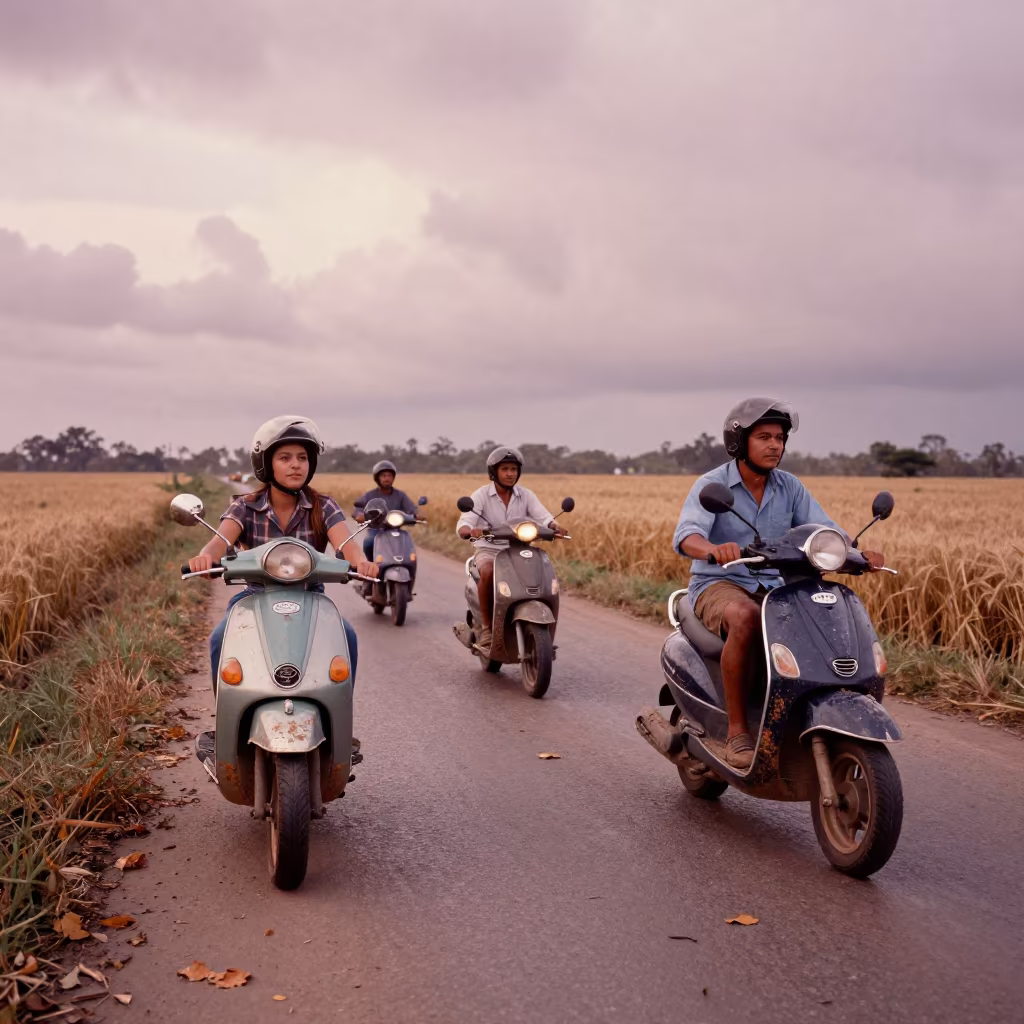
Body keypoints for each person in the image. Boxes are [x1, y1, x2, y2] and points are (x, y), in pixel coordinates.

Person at [673, 398, 885, 770]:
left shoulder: (790, 487)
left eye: (780, 438)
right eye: (765, 437)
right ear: (740, 443)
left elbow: (824, 529)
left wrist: (856, 553)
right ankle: (738, 729)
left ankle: (792, 712)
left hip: (777, 584)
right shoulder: (712, 485)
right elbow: (687, 535)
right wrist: (711, 549)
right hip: (719, 583)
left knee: (820, 622)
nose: (775, 445)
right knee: (745, 616)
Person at [188, 416, 379, 757]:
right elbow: (218, 544)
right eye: (285, 457)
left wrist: (360, 561)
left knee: (347, 637)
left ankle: (339, 724)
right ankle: (226, 725)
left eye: (302, 458)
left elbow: (347, 547)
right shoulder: (244, 506)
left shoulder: (323, 506)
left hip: (311, 598)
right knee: (220, 639)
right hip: (255, 597)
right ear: (266, 464)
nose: (295, 465)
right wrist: (204, 558)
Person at [455, 446, 565, 652]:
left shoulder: (525, 495)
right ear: (494, 472)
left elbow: (543, 515)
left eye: (513, 469)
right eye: (505, 469)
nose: (510, 473)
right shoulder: (480, 496)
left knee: (542, 569)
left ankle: (543, 631)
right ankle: (487, 628)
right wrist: (468, 530)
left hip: (519, 548)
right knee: (487, 570)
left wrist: (554, 526)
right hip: (489, 549)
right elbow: (465, 521)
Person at [352, 460, 420, 561]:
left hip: (396, 529)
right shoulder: (370, 495)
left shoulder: (400, 495)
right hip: (376, 530)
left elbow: (412, 509)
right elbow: (358, 510)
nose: (387, 478)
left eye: (389, 476)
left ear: (393, 478)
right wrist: (360, 515)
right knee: (369, 542)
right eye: (383, 476)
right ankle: (372, 566)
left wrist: (417, 515)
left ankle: (409, 569)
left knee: (408, 543)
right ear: (378, 478)